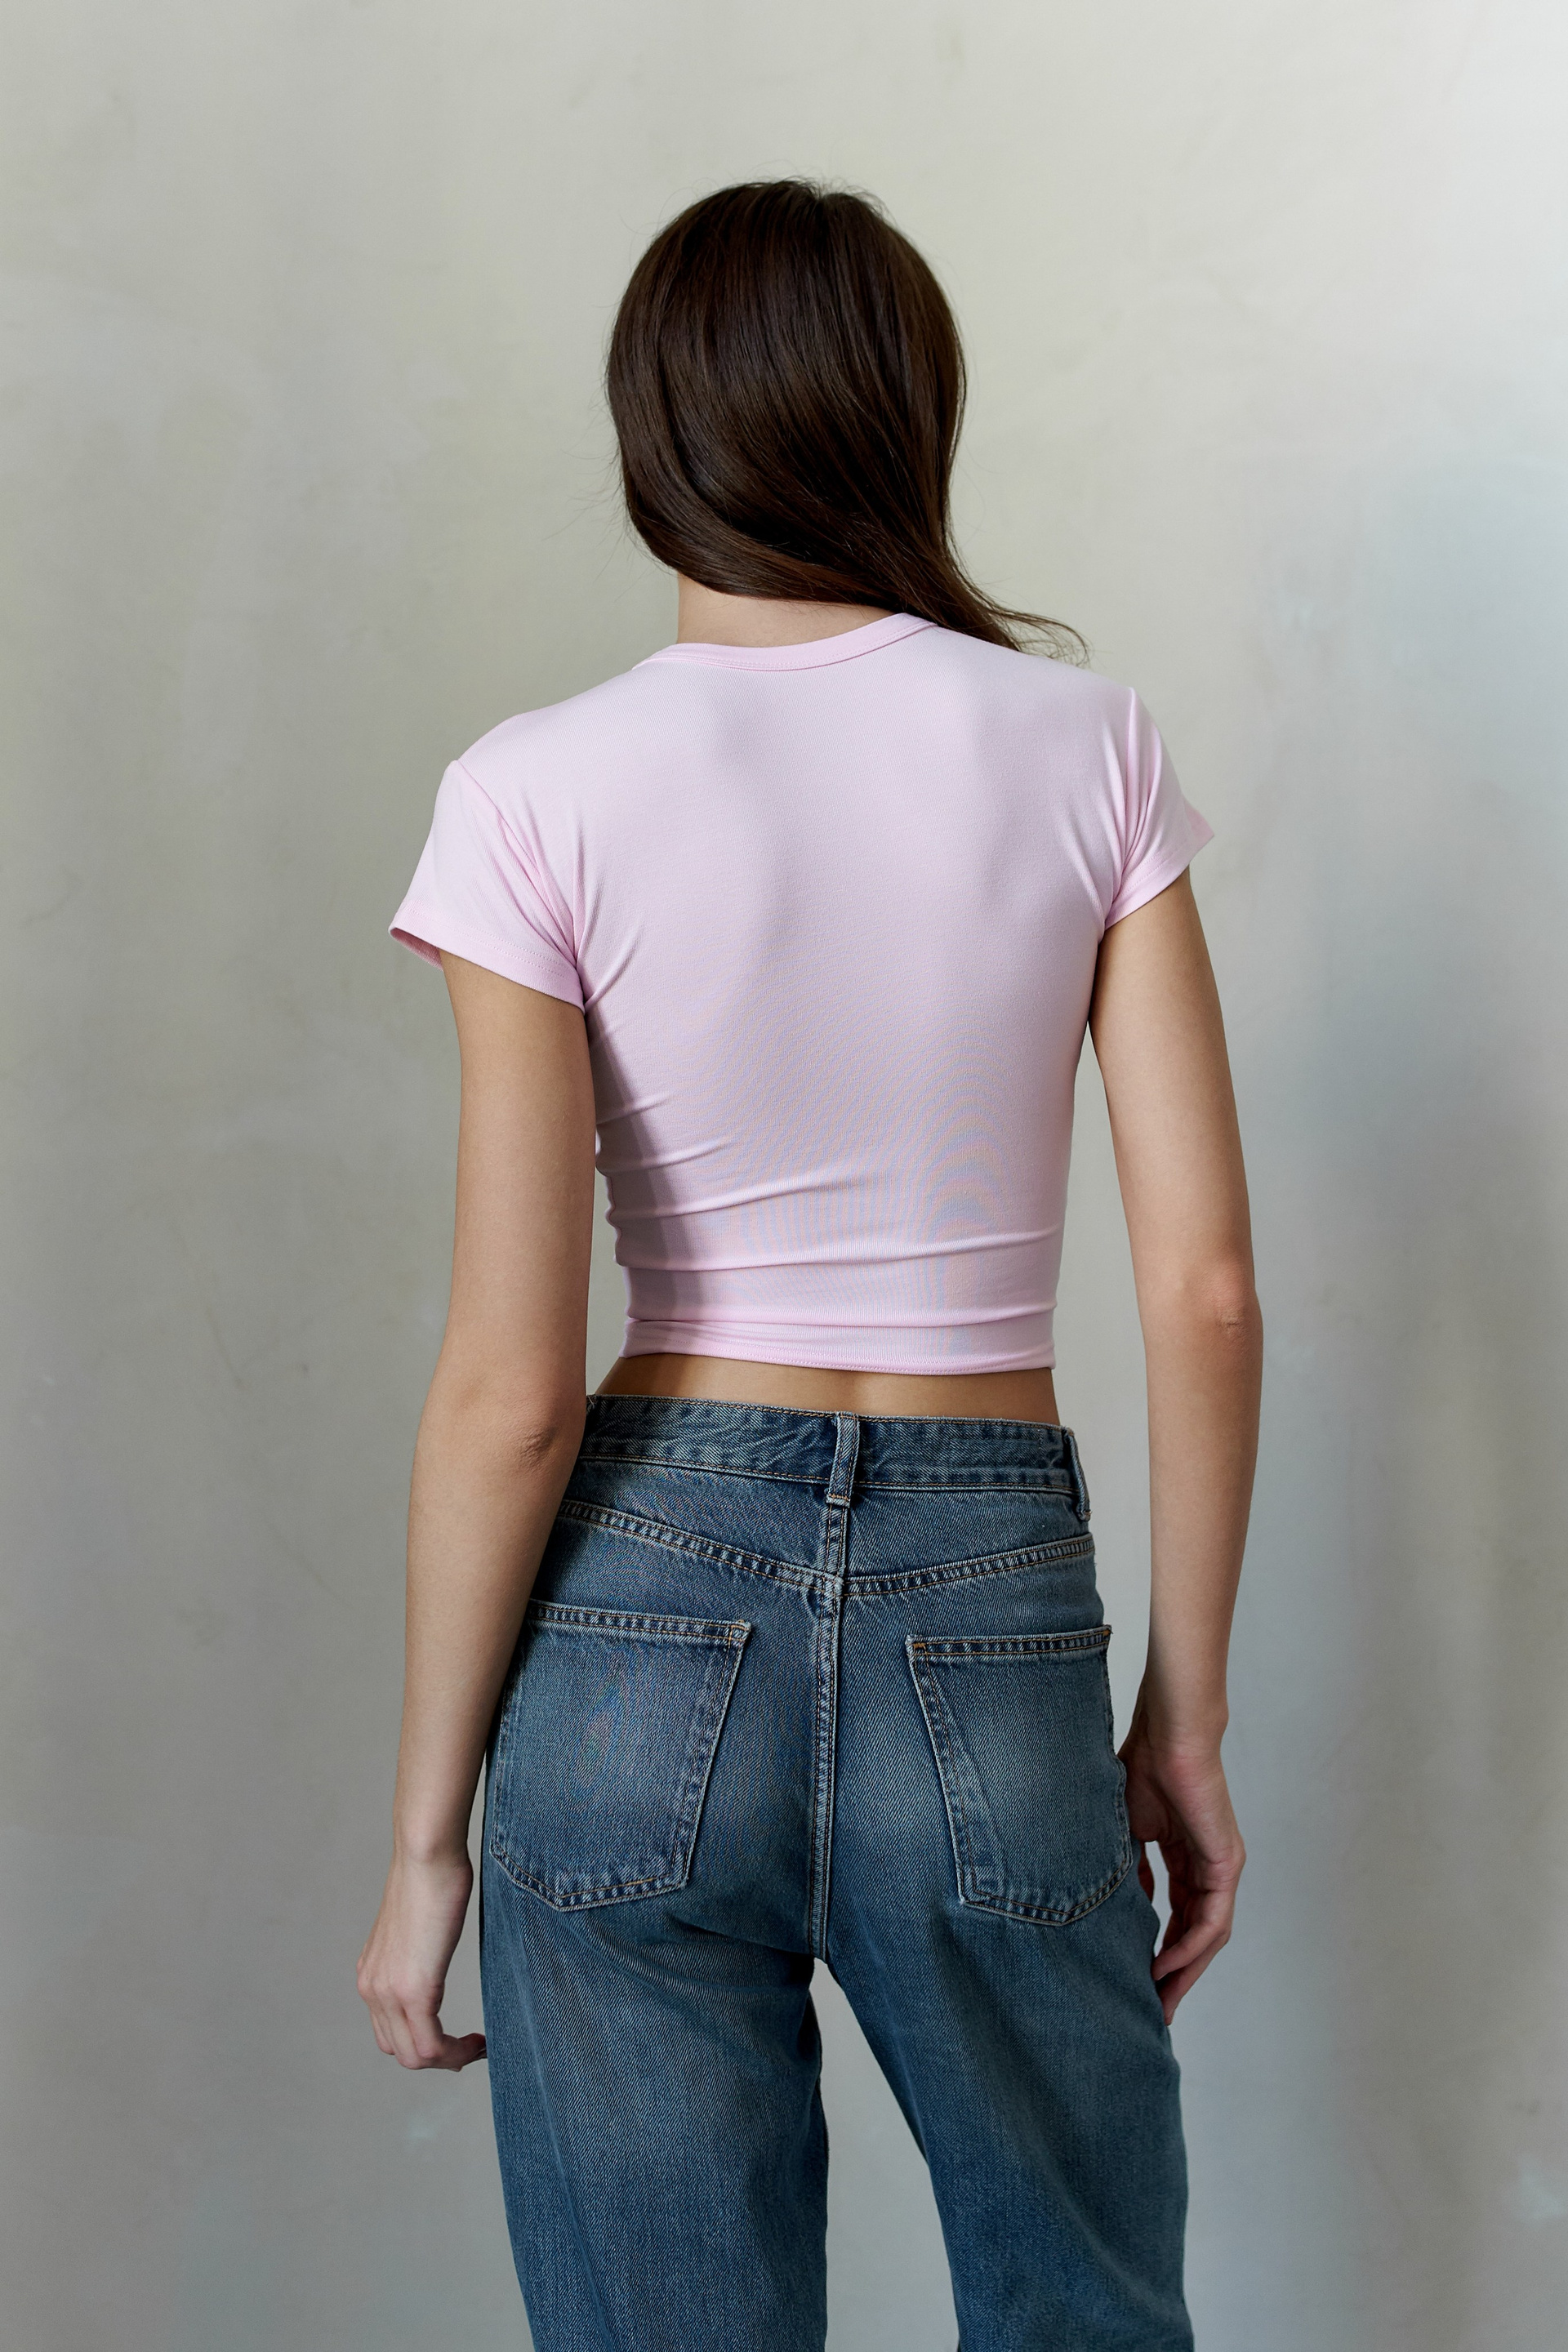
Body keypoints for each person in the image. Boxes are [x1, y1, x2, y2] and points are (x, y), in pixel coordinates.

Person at [357, 178, 1260, 2352]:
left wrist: (425, 1834)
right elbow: (1206, 1289)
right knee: (1085, 2306)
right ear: (906, 418)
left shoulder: (532, 790)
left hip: (639, 1607)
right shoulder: (1086, 746)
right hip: (993, 1609)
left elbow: (511, 1385)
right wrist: (1184, 1719)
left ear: (651, 429)